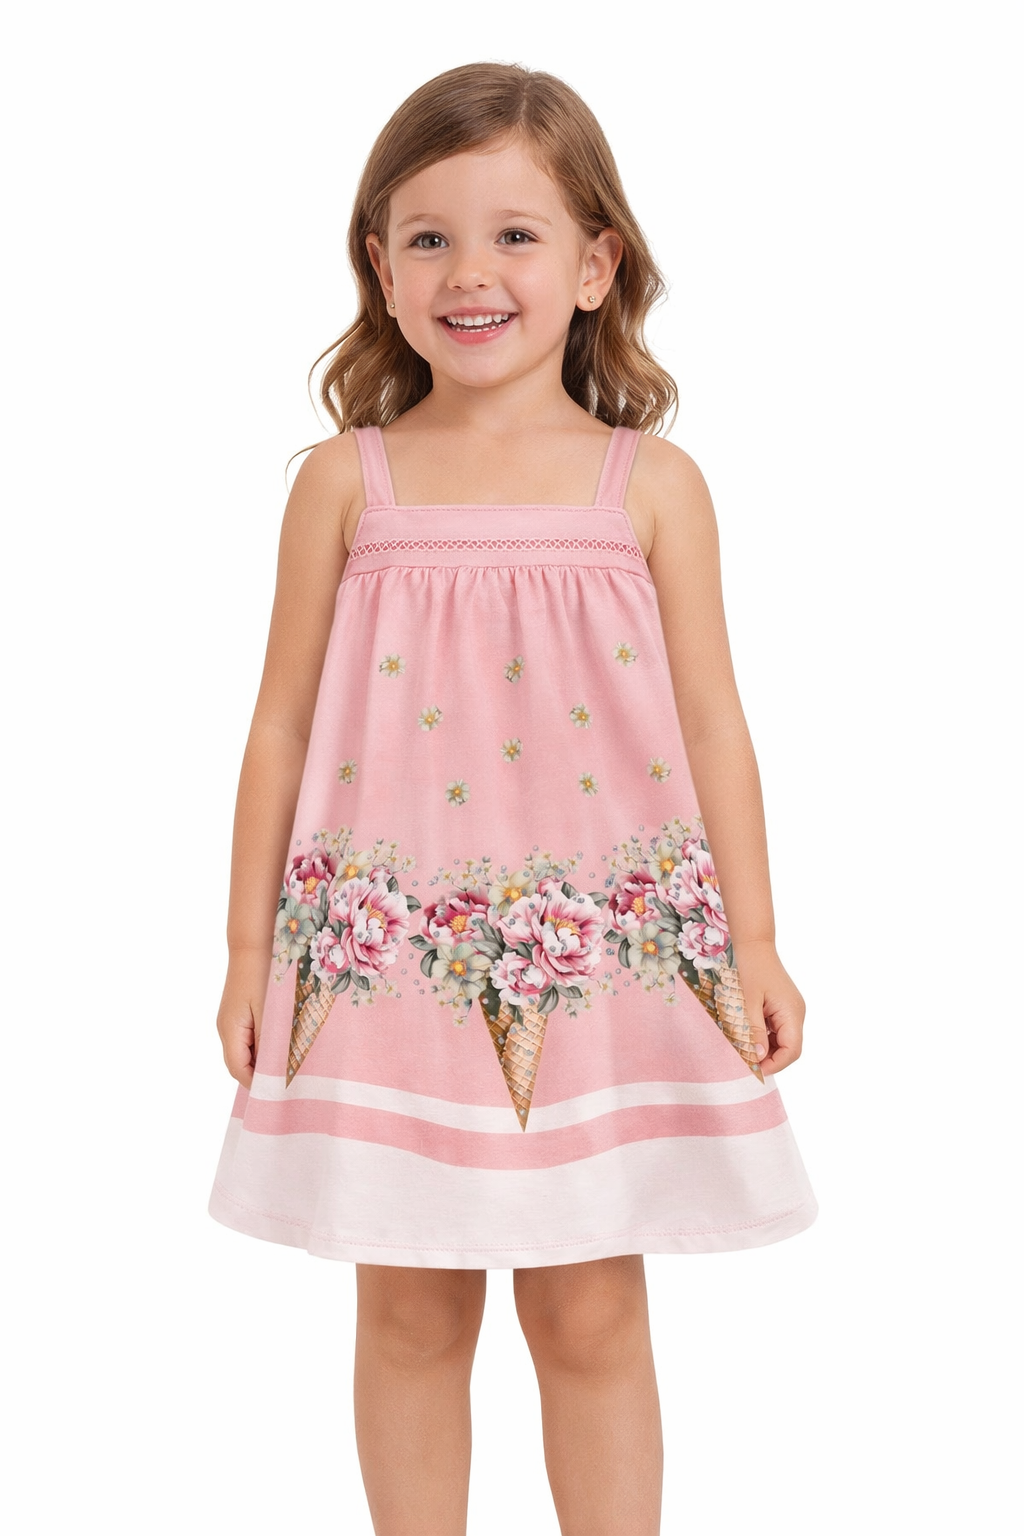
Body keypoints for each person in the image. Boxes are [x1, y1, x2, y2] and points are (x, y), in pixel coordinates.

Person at [209, 61, 817, 1536]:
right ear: (380, 267)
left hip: (601, 970)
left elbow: (716, 724)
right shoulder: (345, 483)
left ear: (597, 265)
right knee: (410, 1309)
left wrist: (754, 942)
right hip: (388, 970)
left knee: (591, 1310)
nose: (469, 272)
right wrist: (245, 952)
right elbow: (279, 724)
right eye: (429, 238)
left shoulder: (650, 485)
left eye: (516, 236)